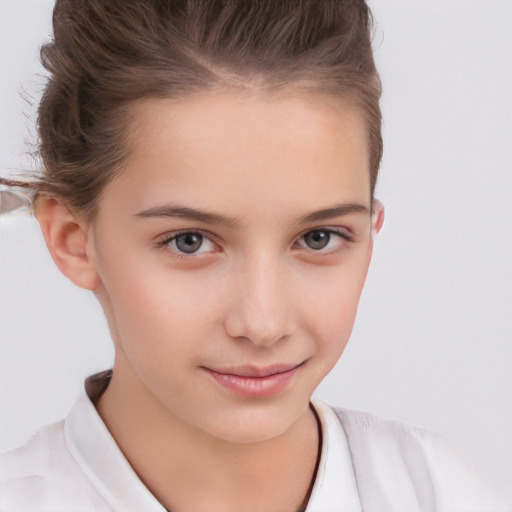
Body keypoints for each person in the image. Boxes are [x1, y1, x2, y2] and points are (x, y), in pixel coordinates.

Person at [0, 1, 507, 511]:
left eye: (318, 238)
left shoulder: (438, 491)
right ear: (72, 238)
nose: (263, 325)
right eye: (190, 242)